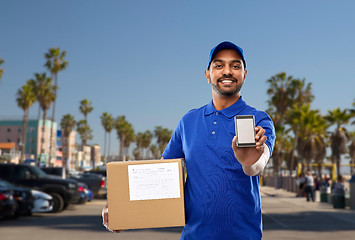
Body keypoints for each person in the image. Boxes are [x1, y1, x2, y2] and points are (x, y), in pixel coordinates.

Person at [102, 41, 276, 239]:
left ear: (244, 74)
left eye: (235, 66)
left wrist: (249, 162)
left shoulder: (259, 120)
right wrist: (124, 212)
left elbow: (257, 166)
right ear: (207, 74)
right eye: (219, 65)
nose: (227, 71)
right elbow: (161, 175)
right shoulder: (188, 121)